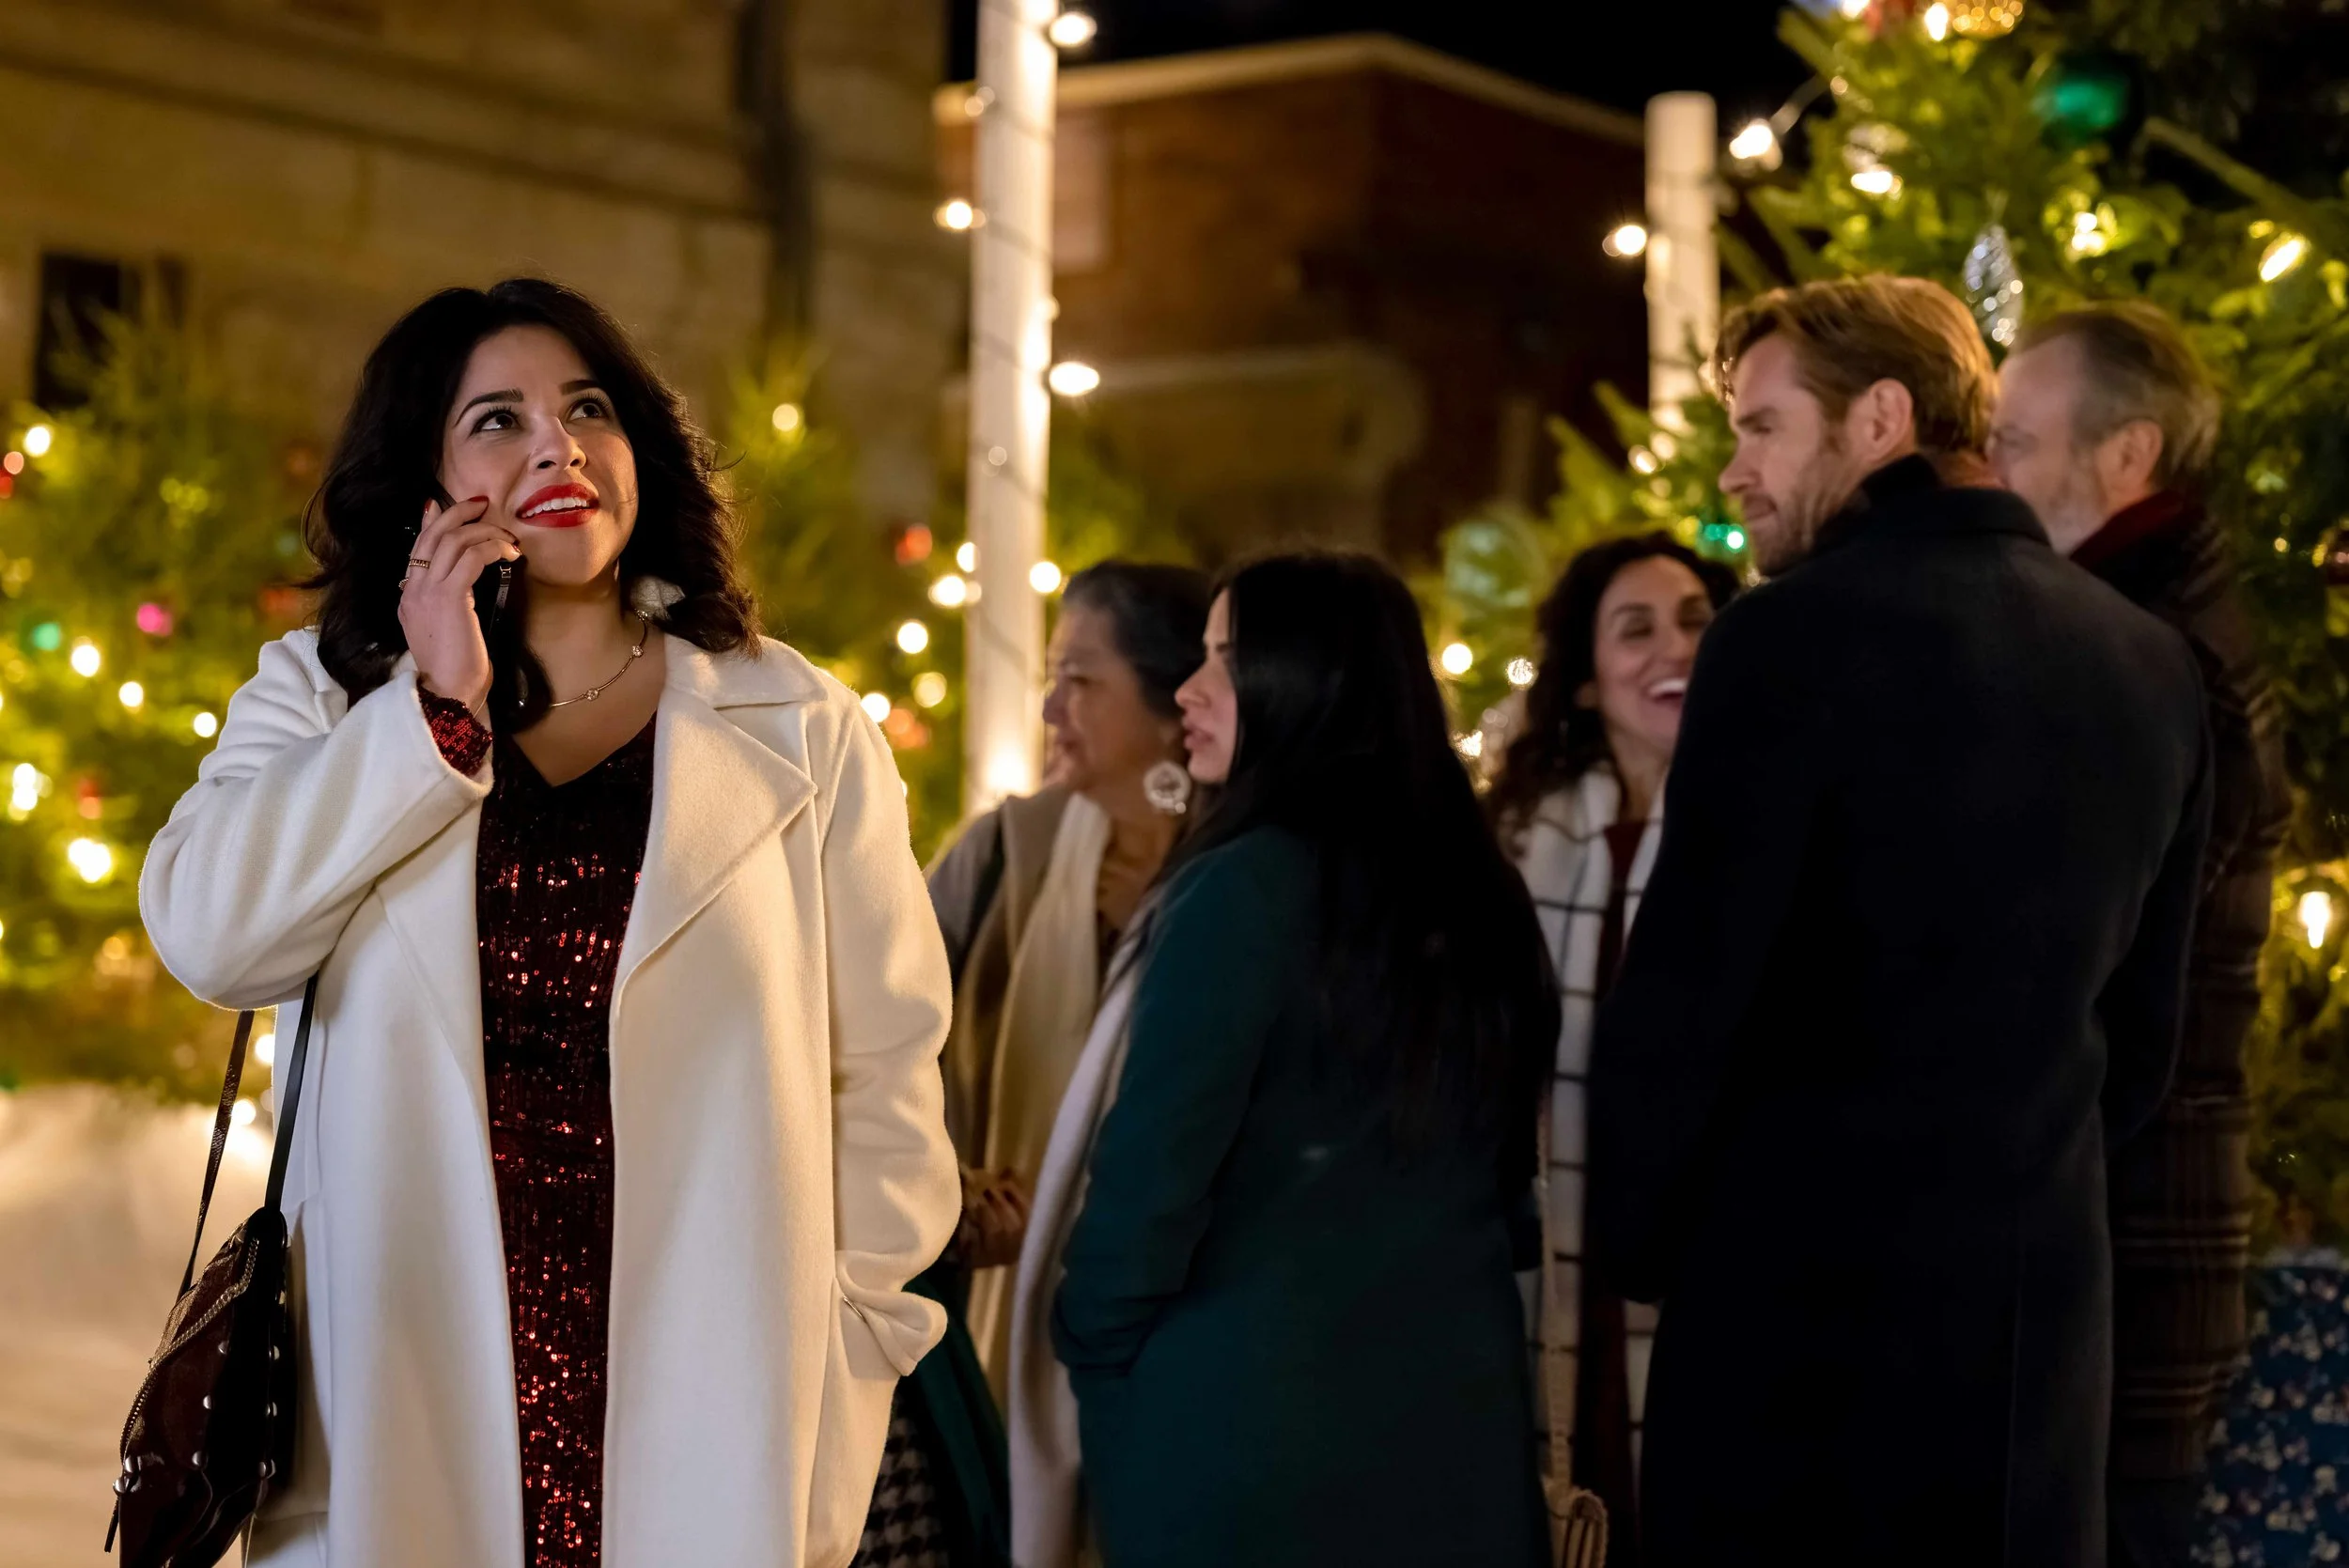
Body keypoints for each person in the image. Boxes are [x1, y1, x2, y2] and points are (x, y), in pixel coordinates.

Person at [139, 279, 958, 1568]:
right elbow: (212, 936)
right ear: (425, 474)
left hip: (712, 1403)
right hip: (401, 1392)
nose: (556, 447)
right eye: (497, 419)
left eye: (589, 408)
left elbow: (888, 1074)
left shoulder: (800, 725)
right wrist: (431, 711)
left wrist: (846, 1352)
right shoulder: (324, 696)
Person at [1587, 275, 2213, 1566]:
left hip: (1796, 1343)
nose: (1732, 470)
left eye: (1762, 427)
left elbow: (1689, 996)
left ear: (1880, 417)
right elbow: (2146, 1040)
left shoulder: (1784, 640)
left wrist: (1637, 1242)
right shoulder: (2153, 662)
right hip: (2033, 1353)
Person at [1047, 552, 1557, 1568]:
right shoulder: (1483, 890)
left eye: (1228, 660)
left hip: (1251, 1433)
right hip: (1455, 1423)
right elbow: (1507, 1197)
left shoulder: (1240, 889)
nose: (1191, 689)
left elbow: (1150, 1175)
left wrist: (1092, 1350)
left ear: (1312, 684)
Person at [1992, 301, 2289, 1568]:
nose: (1986, 471)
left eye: (2014, 441)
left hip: (2129, 1240)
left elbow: (2083, 955)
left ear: (2129, 457)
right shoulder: (2119, 631)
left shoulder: (2158, 660)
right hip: (2105, 1233)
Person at [857, 561, 1209, 1568]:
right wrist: (948, 1191)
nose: (1050, 705)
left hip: (1184, 1319)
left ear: (1169, 696)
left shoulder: (1236, 867)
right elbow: (870, 1039)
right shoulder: (1007, 850)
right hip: (1011, 1310)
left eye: (1080, 679)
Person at [1486, 532, 1738, 1563]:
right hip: (1554, 1248)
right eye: (1633, 630)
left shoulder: (1746, 822)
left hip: (1701, 1248)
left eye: (1691, 621)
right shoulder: (1515, 840)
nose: (1670, 648)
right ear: (1586, 684)